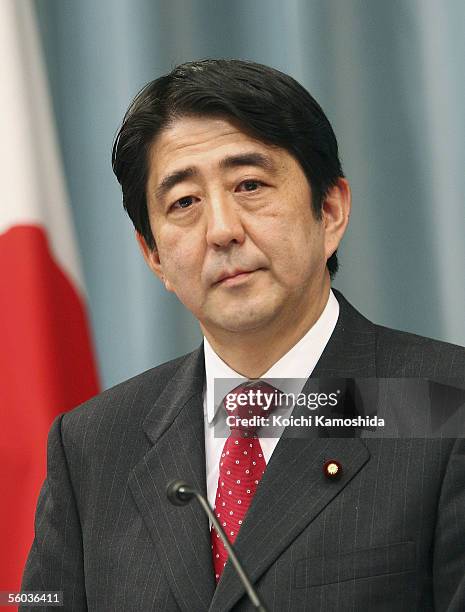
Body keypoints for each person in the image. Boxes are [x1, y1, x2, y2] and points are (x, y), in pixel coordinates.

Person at [21, 59, 465, 611]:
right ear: (153, 255)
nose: (223, 230)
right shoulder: (91, 446)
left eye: (250, 185)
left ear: (329, 210)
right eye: (184, 203)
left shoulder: (447, 405)